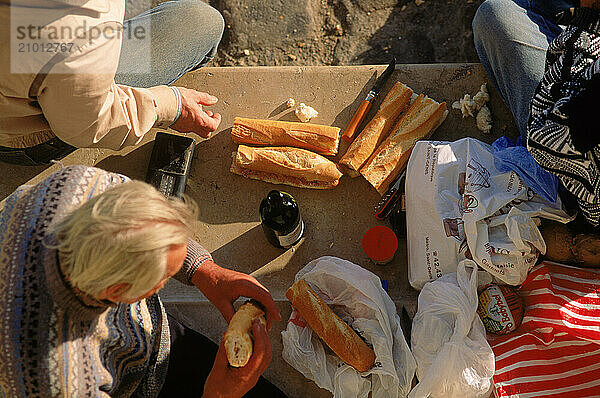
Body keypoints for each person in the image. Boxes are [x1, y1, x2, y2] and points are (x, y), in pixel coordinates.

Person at [0, 165, 288, 397]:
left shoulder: (79, 185)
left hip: (145, 342)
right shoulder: (58, 380)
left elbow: (149, 222)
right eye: (163, 279)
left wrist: (205, 272)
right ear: (116, 292)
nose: (167, 282)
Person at [0, 0, 223, 166]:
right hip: (19, 136)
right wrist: (171, 106)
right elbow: (89, 124)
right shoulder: (76, 39)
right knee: (201, 22)